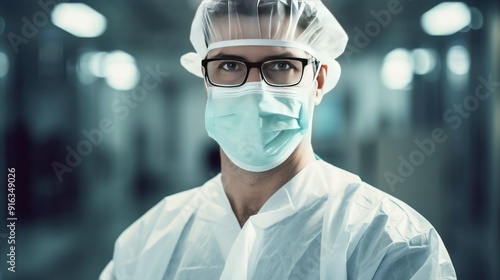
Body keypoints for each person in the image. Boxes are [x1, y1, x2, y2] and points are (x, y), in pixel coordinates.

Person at [100, 0, 457, 279]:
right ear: (206, 79)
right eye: (229, 65)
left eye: (281, 65)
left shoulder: (388, 244)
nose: (255, 91)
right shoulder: (148, 243)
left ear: (318, 81)